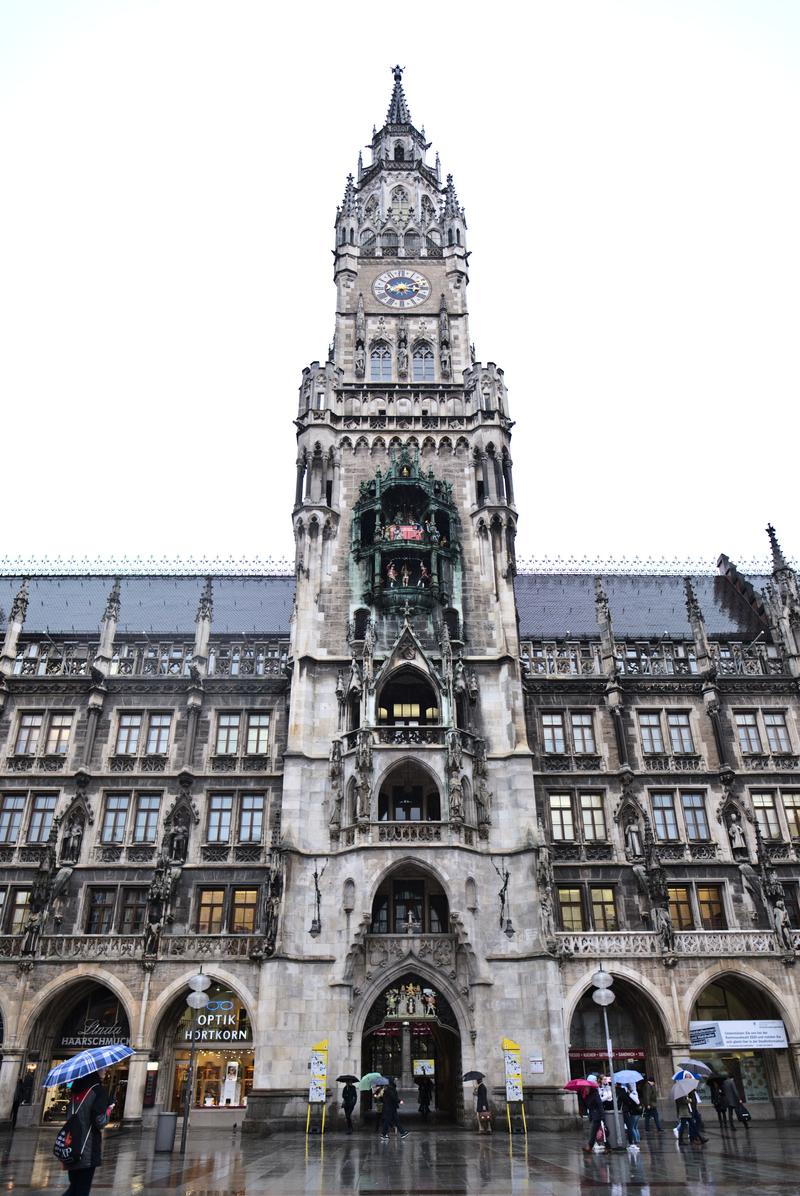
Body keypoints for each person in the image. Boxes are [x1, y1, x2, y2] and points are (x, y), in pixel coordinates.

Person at [62, 1067, 113, 1196]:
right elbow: (100, 1121)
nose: (106, 1070)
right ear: (94, 1070)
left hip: (71, 1144)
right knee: (82, 1190)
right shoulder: (98, 1091)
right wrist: (109, 1108)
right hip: (87, 1147)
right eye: (102, 1068)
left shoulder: (75, 1090)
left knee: (74, 1187)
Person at [582, 1082, 606, 1153]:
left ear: (590, 1088)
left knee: (593, 1132)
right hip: (593, 1116)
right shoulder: (588, 1095)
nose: (585, 1088)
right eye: (585, 1087)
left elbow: (600, 1104)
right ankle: (608, 1147)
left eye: (586, 1087)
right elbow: (587, 1106)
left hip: (597, 1116)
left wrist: (602, 1116)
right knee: (595, 1132)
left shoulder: (595, 1094)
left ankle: (589, 1147)